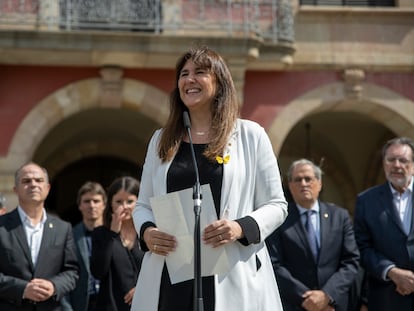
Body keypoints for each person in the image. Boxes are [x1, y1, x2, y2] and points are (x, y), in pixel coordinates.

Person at [131, 46, 288, 311]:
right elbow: (143, 205)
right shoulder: (161, 139)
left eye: (200, 72)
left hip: (230, 272)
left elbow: (277, 204)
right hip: (171, 273)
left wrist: (240, 227)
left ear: (220, 82)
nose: (189, 79)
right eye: (184, 74)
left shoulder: (251, 135)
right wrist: (147, 232)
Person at [266, 158, 360, 311]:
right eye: (297, 180)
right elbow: (274, 264)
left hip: (333, 305)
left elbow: (351, 261)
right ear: (290, 186)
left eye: (308, 179)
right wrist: (308, 299)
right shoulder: (280, 219)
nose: (303, 183)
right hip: (296, 305)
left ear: (319, 183)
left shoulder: (340, 216)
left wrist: (326, 296)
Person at [0, 162, 79, 310]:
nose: (33, 184)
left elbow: (72, 272)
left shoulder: (63, 228)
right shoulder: (2, 226)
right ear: (15, 190)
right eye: (26, 181)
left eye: (39, 180)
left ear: (47, 188)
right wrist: (22, 289)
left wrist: (54, 286)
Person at [354, 136, 414, 310]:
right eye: (391, 160)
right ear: (384, 164)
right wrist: (392, 272)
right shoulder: (366, 200)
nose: (396, 165)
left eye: (403, 160)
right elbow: (362, 247)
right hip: (386, 298)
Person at [91, 176, 144, 311]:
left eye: (130, 201)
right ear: (111, 204)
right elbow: (98, 271)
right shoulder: (100, 233)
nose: (124, 207)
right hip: (111, 305)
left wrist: (143, 288)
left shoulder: (147, 232)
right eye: (119, 202)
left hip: (145, 303)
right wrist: (113, 234)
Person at [65, 182, 107, 311]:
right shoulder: (69, 235)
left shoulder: (115, 234)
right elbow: (62, 273)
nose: (92, 205)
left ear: (104, 205)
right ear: (80, 205)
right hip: (81, 304)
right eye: (87, 201)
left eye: (96, 201)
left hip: (109, 303)